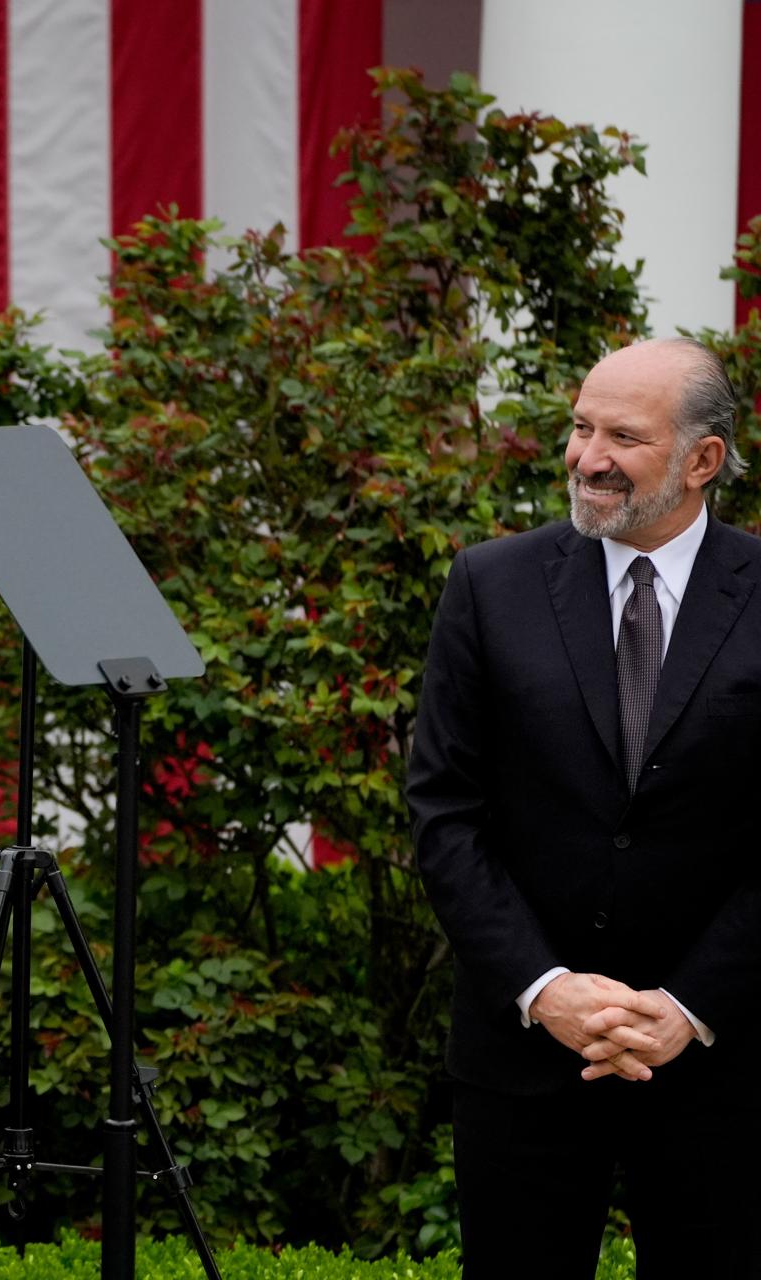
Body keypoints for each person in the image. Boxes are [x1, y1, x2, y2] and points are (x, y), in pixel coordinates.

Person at [408, 337, 761, 1278]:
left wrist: (690, 1005)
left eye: (621, 435)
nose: (585, 456)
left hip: (721, 1063)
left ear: (702, 461)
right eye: (578, 426)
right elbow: (445, 811)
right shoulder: (491, 585)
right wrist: (544, 989)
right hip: (522, 1056)